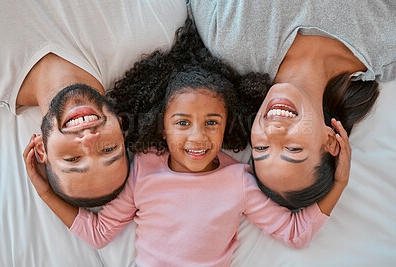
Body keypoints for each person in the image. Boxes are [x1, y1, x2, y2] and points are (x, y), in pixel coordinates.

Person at [24, 19, 351, 266]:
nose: (198, 137)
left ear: (229, 128)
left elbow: (295, 234)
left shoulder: (240, 181)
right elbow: (97, 233)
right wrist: (43, 189)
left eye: (212, 122)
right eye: (182, 123)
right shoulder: (142, 170)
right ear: (162, 129)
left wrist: (339, 181)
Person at [189, 0, 395, 209]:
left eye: (261, 147)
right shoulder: (388, 49)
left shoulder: (229, 42)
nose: (274, 131)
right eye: (293, 149)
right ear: (331, 141)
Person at [0, 0, 187, 207]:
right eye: (108, 149)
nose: (88, 139)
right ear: (121, 126)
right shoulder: (153, 33)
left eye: (73, 159)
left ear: (41, 149)